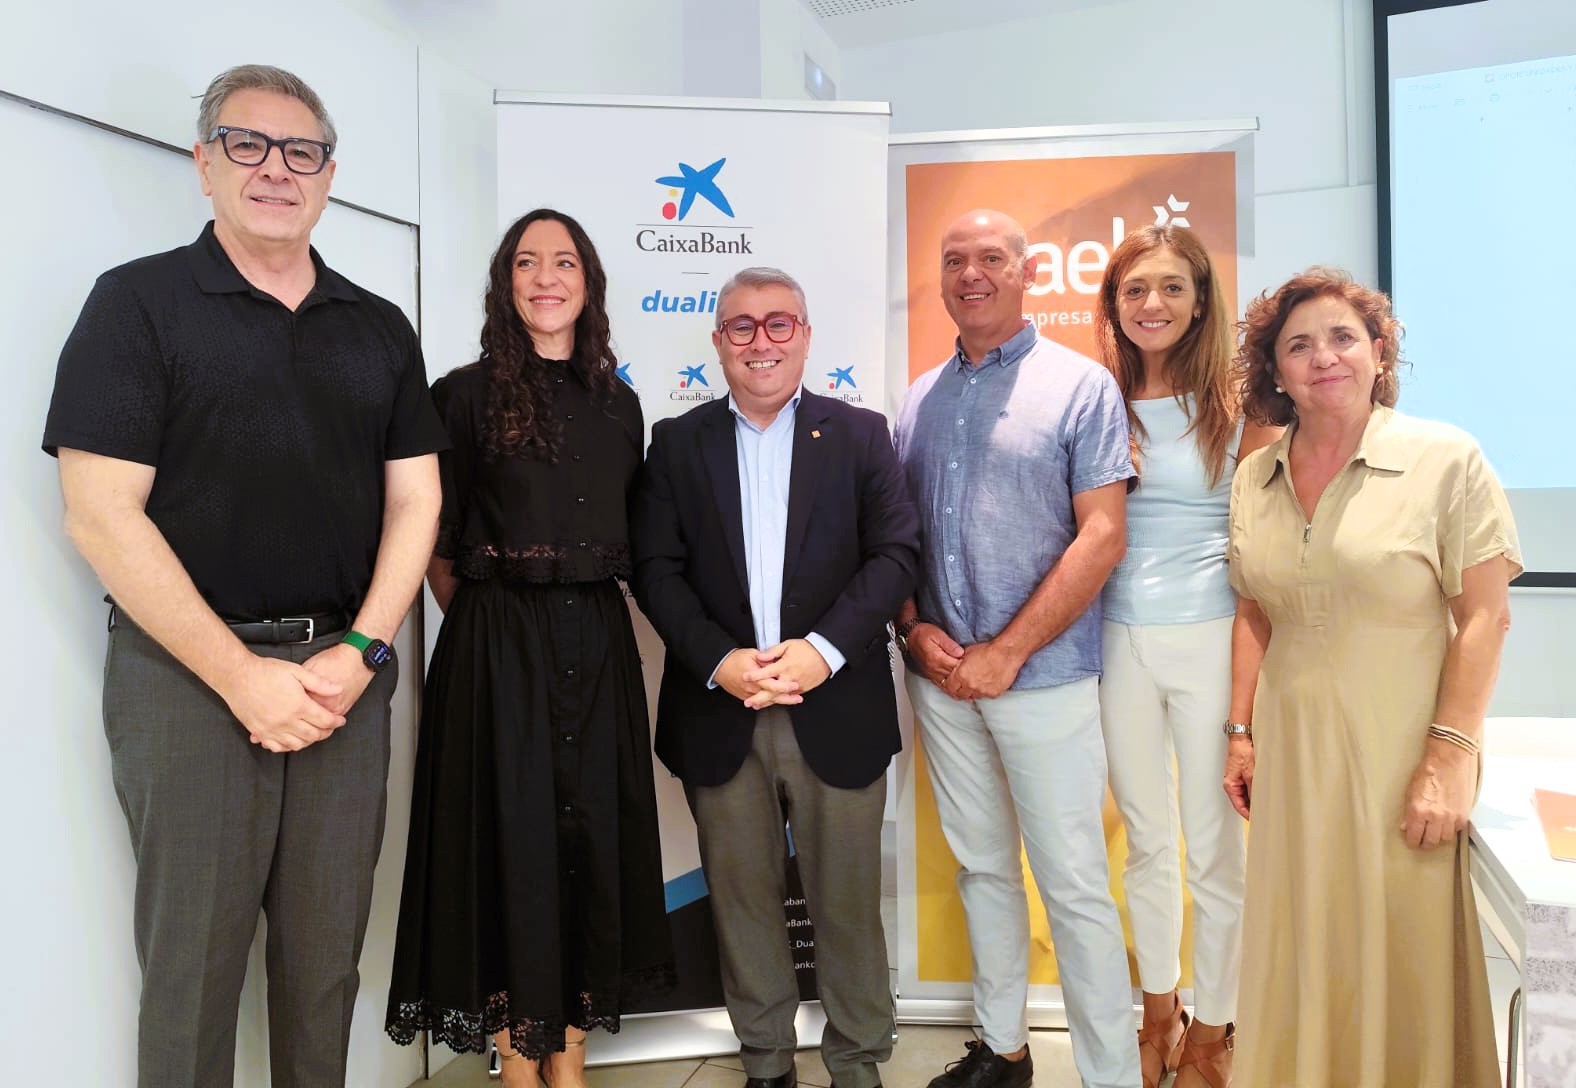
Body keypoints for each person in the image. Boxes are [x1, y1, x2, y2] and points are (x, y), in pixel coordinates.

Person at [41, 64, 446, 1088]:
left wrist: (361, 651)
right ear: (204, 164)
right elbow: (99, 513)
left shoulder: (378, 326)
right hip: (186, 682)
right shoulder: (137, 305)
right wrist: (240, 675)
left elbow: (417, 502)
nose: (276, 168)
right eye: (247, 144)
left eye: (301, 151)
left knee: (324, 968)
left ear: (329, 175)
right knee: (192, 975)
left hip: (343, 681)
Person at [385, 209, 674, 1087]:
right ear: (504, 283)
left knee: (590, 840)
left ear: (589, 282)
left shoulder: (620, 403)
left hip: (599, 647)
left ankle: (570, 1058)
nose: (546, 278)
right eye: (526, 262)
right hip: (495, 649)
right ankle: (516, 1063)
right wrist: (493, 626)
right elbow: (433, 542)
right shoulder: (461, 395)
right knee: (507, 843)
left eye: (564, 262)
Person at [1223, 268, 1519, 1088]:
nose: (1324, 357)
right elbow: (1254, 610)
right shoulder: (1255, 474)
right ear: (1275, 371)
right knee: (1301, 938)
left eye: (1343, 338)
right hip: (1293, 749)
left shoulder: (1446, 459)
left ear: (1379, 352)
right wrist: (1239, 733)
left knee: (1401, 940)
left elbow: (1485, 619)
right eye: (1299, 345)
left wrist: (1449, 756)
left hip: (1402, 748)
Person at [631, 266, 918, 1088]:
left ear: (806, 335)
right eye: (743, 326)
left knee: (848, 908)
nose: (762, 341)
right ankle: (766, 1063)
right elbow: (654, 569)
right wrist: (719, 661)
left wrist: (821, 650)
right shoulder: (676, 443)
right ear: (719, 341)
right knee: (742, 903)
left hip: (838, 707)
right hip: (720, 709)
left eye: (779, 323)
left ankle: (857, 1063)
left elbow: (896, 553)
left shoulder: (860, 434)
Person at [893, 209, 1141, 1088]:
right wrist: (912, 627)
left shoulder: (1081, 387)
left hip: (1045, 680)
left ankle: (1111, 1076)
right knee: (983, 871)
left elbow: (1102, 535)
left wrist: (1007, 651)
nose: (972, 274)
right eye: (955, 259)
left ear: (1027, 272)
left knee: (1073, 884)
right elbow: (898, 534)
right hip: (943, 680)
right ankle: (1002, 1052)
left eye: (991, 257)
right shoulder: (919, 398)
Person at [1092, 225, 1280, 1088]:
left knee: (1213, 849)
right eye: (1135, 289)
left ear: (1201, 301)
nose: (1152, 304)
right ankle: (1158, 1008)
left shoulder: (1243, 405)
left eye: (1171, 287)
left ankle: (1213, 1025)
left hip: (1211, 636)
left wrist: (1247, 701)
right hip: (1117, 638)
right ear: (1114, 304)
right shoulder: (1096, 400)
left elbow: (1260, 546)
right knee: (1146, 842)